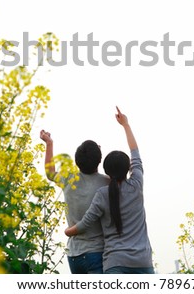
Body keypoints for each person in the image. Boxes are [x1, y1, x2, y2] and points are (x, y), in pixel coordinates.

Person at [64, 107, 154, 274]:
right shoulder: (136, 185)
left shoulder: (102, 193)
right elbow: (135, 153)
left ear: (106, 171)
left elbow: (86, 222)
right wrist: (126, 125)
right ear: (129, 169)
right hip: (143, 262)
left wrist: (68, 231)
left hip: (114, 263)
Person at [40, 130, 109, 274]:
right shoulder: (106, 182)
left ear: (77, 160)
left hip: (73, 255)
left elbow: (50, 172)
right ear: (99, 160)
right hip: (96, 253)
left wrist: (49, 143)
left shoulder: (68, 178)